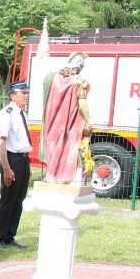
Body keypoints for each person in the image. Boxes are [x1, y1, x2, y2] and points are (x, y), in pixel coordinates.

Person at [41, 52, 95, 184]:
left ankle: (51, 175)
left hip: (52, 121)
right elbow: (82, 103)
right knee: (70, 148)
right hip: (71, 122)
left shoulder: (53, 78)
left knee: (54, 146)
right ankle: (67, 177)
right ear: (80, 66)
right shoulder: (79, 81)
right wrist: (89, 120)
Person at [0, 81, 32, 249]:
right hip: (12, 158)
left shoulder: (22, 113)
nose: (26, 96)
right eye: (23, 93)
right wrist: (7, 168)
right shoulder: (6, 113)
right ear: (12, 95)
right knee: (8, 198)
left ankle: (10, 235)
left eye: (27, 93)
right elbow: (2, 143)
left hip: (23, 159)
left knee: (19, 199)